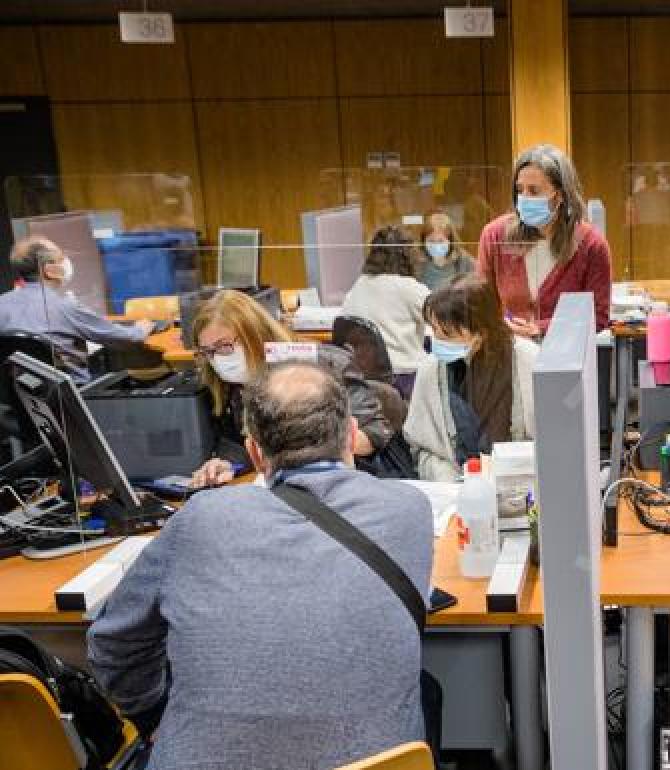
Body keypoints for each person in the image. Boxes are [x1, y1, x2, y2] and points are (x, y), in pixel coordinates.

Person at [88, 361, 435, 770]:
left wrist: (152, 719)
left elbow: (113, 644)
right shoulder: (409, 508)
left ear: (254, 451)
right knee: (427, 694)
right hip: (379, 763)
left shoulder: (203, 516)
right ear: (353, 434)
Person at [187, 289, 402, 487]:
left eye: (225, 346)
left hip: (350, 479)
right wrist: (228, 463)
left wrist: (303, 449)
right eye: (207, 352)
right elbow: (239, 443)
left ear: (254, 333)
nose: (217, 359)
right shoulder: (227, 387)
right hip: (281, 487)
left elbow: (373, 434)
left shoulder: (325, 365)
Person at [403, 275, 537, 481]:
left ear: (481, 333)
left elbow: (550, 443)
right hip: (453, 488)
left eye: (447, 335)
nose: (437, 342)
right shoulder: (430, 370)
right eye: (434, 331)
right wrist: (450, 479)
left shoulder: (529, 362)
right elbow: (421, 448)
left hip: (519, 484)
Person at [477, 144, 612, 335]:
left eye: (534, 191)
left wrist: (540, 329)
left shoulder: (591, 244)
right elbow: (481, 305)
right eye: (519, 190)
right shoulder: (494, 236)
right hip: (512, 353)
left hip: (567, 356)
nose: (524, 198)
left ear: (560, 196)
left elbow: (598, 318)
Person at [0, 236, 154, 377]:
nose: (66, 261)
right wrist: (141, 328)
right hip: (75, 394)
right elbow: (127, 338)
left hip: (22, 393)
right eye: (60, 257)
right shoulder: (64, 307)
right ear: (49, 270)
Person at [343, 226, 432, 398]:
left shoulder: (357, 286)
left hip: (364, 381)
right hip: (405, 380)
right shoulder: (409, 288)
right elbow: (443, 317)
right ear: (408, 256)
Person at [414, 210, 477, 292]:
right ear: (423, 242)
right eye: (431, 241)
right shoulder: (417, 263)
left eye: (441, 241)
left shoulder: (463, 260)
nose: (436, 245)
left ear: (450, 241)